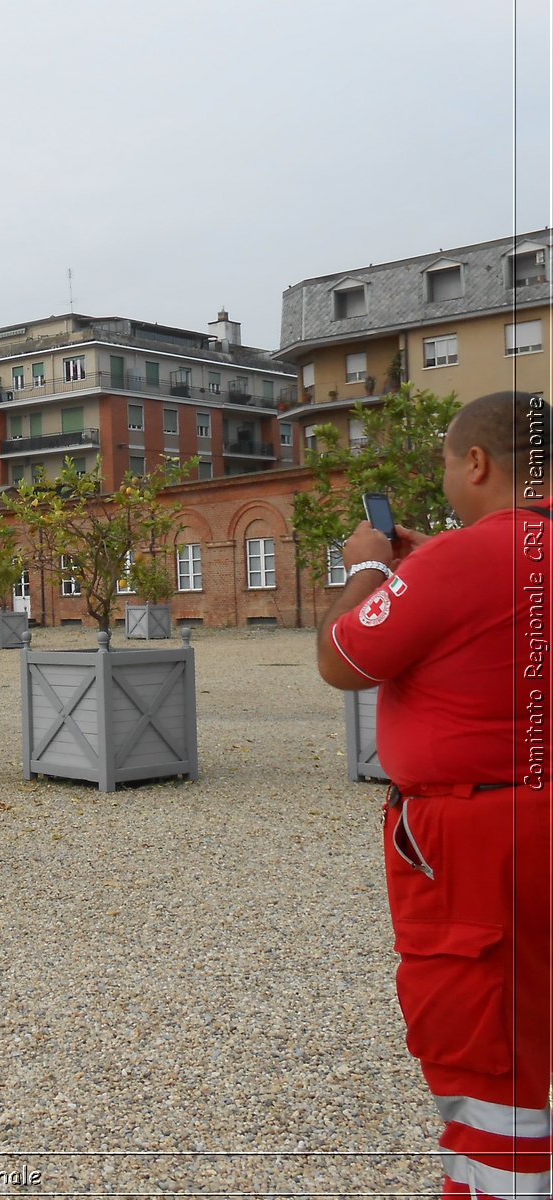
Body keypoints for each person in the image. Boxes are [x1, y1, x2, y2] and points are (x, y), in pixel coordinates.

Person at [316, 391, 551, 1198]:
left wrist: (372, 570)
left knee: (488, 1048)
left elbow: (344, 658)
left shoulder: (463, 557)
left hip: (479, 834)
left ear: (477, 463)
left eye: (447, 463)